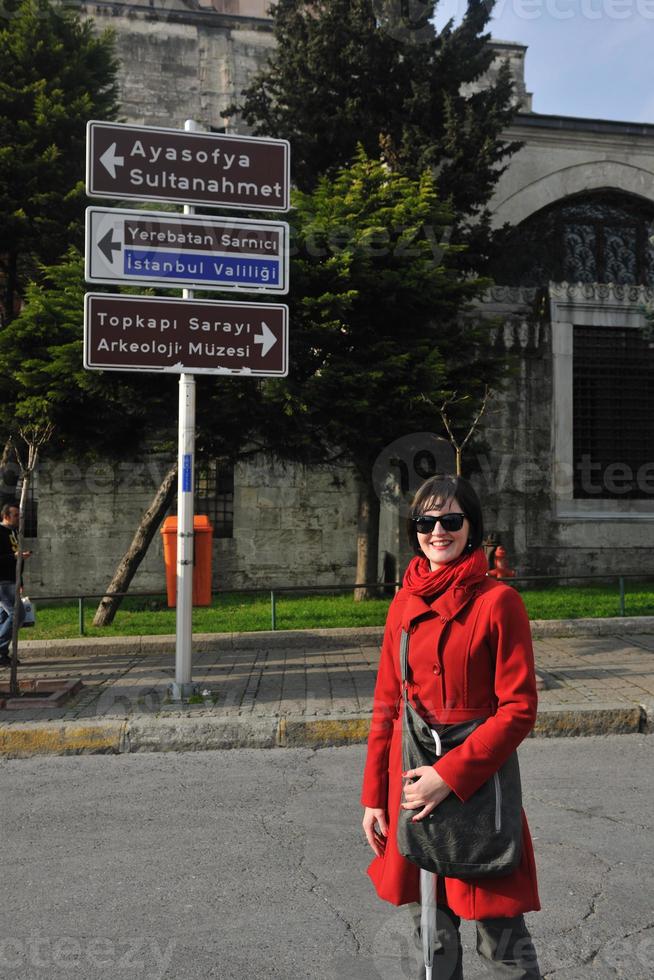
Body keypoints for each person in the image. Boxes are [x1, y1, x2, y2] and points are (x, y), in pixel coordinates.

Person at [361, 474, 541, 979]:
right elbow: (386, 705)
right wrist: (373, 795)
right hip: (412, 788)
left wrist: (451, 775)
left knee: (503, 944)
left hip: (478, 790)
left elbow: (519, 709)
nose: (437, 531)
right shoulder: (403, 601)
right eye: (426, 521)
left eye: (451, 520)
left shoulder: (499, 601)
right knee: (431, 944)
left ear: (471, 526)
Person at [0, 502, 26, 667]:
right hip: (2, 582)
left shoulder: (14, 532)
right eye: (16, 515)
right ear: (6, 516)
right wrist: (14, 556)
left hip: (13, 580)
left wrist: (20, 581)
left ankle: (2, 655)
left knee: (3, 618)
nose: (19, 518)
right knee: (17, 614)